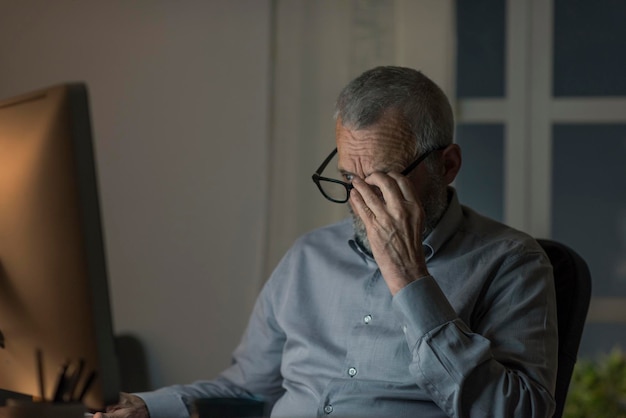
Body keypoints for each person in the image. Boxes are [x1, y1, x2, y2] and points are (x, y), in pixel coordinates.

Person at [96, 66, 558, 418]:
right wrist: (148, 407)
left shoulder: (511, 262)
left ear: (448, 165)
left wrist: (409, 276)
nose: (358, 202)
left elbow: (518, 411)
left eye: (381, 181)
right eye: (346, 179)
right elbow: (248, 389)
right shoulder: (308, 257)